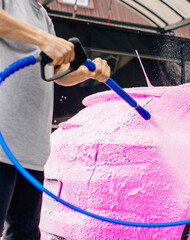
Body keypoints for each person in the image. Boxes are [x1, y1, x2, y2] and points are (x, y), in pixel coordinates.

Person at [0, 1, 111, 239]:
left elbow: (57, 74)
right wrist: (42, 39)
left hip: (31, 152)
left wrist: (89, 72)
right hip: (2, 144)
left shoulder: (44, 17)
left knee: (25, 234)